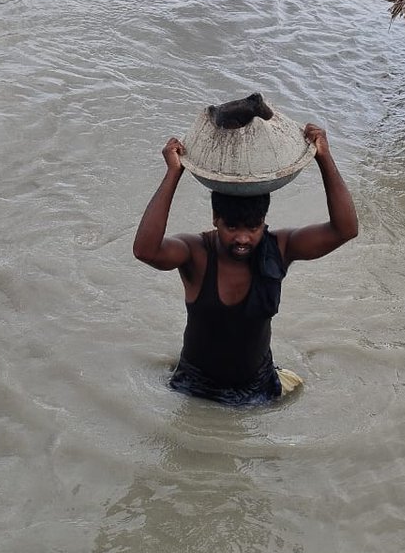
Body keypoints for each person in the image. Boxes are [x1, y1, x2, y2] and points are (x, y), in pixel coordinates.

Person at [133, 124, 358, 405]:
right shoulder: (196, 253)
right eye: (232, 228)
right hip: (194, 385)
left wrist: (324, 157)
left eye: (253, 228)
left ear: (264, 221)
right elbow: (145, 250)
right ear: (215, 218)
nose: (242, 238)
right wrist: (173, 173)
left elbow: (345, 230)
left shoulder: (280, 247)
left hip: (257, 387)